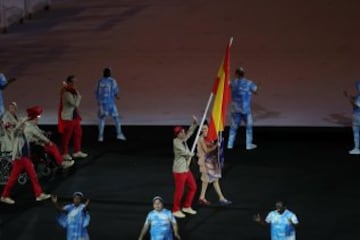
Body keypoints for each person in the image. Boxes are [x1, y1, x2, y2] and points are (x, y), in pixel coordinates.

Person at [0, 106, 51, 205]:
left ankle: (4, 196)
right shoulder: (16, 134)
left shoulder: (24, 133)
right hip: (21, 159)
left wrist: (26, 120)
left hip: (23, 159)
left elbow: (32, 135)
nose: (24, 127)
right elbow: (16, 130)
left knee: (16, 178)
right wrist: (21, 122)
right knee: (32, 176)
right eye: (22, 126)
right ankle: (38, 194)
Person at [197, 122, 231, 206]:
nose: (204, 130)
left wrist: (219, 146)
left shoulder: (210, 138)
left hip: (212, 162)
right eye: (203, 128)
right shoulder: (201, 139)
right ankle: (206, 197)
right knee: (206, 180)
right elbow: (206, 150)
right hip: (205, 163)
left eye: (205, 128)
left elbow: (213, 150)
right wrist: (216, 145)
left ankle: (216, 198)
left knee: (214, 180)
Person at [172, 116, 198, 218]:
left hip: (186, 169)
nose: (184, 133)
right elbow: (186, 153)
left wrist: (195, 123)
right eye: (182, 132)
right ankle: (175, 210)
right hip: (179, 171)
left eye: (184, 132)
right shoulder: (176, 142)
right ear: (178, 135)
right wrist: (192, 154)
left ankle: (186, 206)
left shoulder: (182, 139)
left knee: (193, 187)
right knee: (179, 191)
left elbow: (190, 133)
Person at [227, 67, 258, 150]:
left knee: (233, 128)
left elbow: (227, 84)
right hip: (245, 110)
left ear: (236, 74)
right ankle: (248, 145)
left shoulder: (233, 83)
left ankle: (230, 144)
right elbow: (256, 90)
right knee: (248, 127)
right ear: (243, 74)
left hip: (236, 110)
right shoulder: (249, 83)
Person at [58, 75, 87, 161]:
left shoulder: (72, 91)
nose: (75, 84)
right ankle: (64, 153)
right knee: (67, 137)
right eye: (73, 82)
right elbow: (75, 104)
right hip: (68, 118)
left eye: (75, 82)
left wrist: (77, 94)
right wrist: (79, 96)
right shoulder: (66, 93)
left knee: (78, 134)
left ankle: (77, 151)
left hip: (74, 117)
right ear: (69, 82)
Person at [95, 67, 126, 142]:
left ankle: (100, 137)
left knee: (103, 119)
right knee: (115, 118)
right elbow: (115, 90)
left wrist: (99, 102)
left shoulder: (100, 81)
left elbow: (97, 93)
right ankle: (119, 134)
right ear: (109, 73)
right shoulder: (112, 81)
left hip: (103, 103)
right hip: (110, 103)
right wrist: (116, 96)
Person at [344, 82, 360, 154]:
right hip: (356, 115)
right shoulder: (357, 96)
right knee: (356, 133)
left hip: (358, 116)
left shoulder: (358, 97)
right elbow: (354, 99)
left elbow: (355, 106)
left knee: (356, 132)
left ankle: (356, 148)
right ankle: (356, 148)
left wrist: (350, 100)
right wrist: (348, 96)